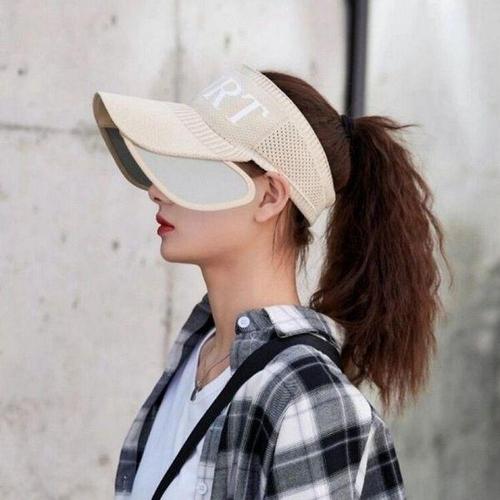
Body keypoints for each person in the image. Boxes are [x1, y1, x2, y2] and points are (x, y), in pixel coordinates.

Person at [92, 64, 450, 499]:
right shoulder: (196, 357)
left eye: (192, 165)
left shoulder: (306, 399)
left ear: (270, 196)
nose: (156, 190)